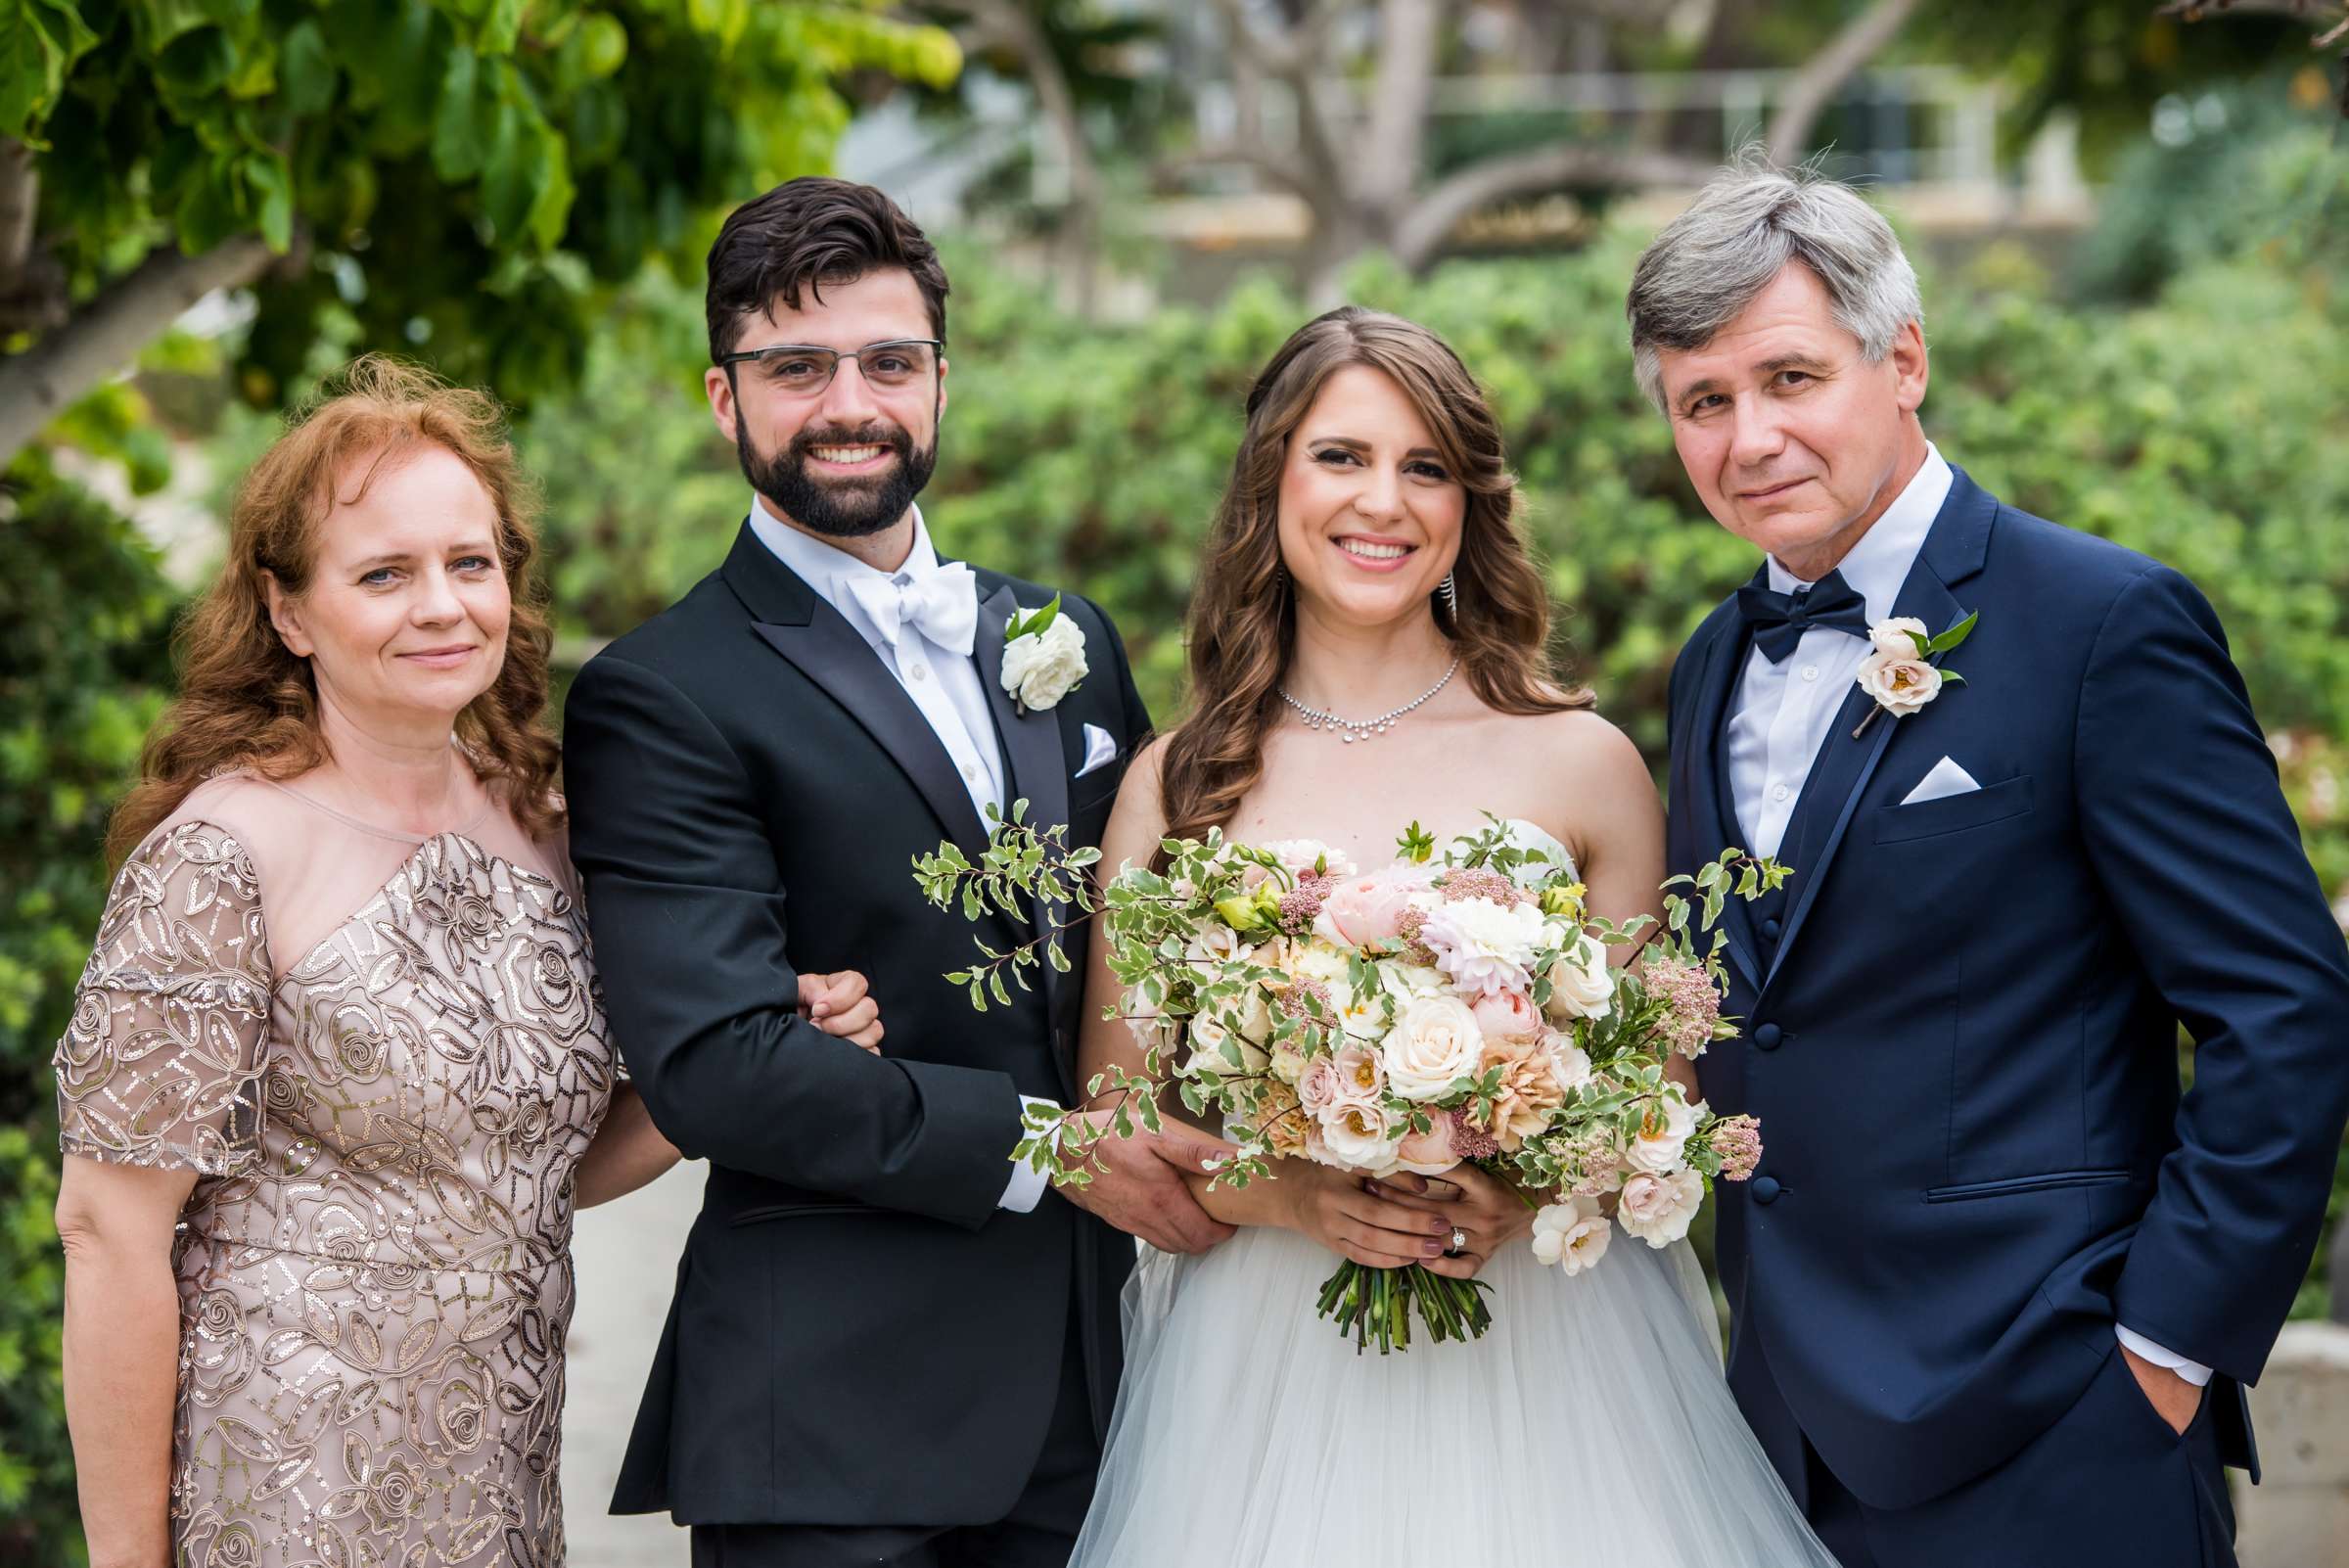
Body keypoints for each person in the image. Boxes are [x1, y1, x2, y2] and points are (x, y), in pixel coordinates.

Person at [48, 356, 883, 1568]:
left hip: (496, 1486)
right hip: (281, 1486)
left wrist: (756, 1050)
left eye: (469, 563)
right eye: (384, 574)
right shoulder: (223, 855)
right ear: (289, 612)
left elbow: (549, 1170)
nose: (441, 605)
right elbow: (107, 1232)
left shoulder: (551, 826)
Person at [1638, 154, 2349, 1567]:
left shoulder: (2104, 623)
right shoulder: (1712, 664)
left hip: (2057, 1422)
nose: (1750, 435)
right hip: (1779, 1438)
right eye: (1703, 402)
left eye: (1789, 378)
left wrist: (2162, 1348)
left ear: (1901, 358)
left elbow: (2283, 1007)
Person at [1062, 305, 1841, 1566]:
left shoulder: (1582, 763)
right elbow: (1116, 1125)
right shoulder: (1178, 781)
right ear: (1270, 484)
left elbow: (1664, 1100)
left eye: (1426, 467)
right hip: (1262, 1375)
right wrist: (1307, 1198)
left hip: (1557, 1356)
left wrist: (1517, 1179)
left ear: (1470, 506)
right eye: (1342, 457)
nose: (1385, 501)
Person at [560, 177, 1230, 1568]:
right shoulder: (660, 692)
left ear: (939, 381)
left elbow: (1140, 957)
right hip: (832, 1420)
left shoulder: (1063, 636)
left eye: (887, 361)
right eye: (795, 367)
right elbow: (719, 1065)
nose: (847, 400)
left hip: (1091, 1392)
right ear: (721, 396)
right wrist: (1056, 1149)